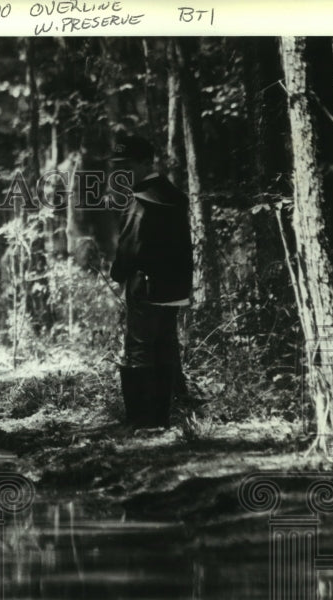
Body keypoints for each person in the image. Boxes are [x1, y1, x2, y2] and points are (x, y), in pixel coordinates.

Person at [109, 134, 194, 429]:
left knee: (139, 348)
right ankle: (160, 418)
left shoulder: (141, 200)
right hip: (174, 286)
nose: (123, 171)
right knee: (166, 345)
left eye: (128, 165)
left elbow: (130, 247)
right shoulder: (172, 194)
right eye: (120, 165)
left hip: (145, 285)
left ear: (146, 162)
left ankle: (139, 420)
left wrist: (118, 274)